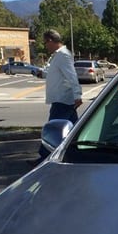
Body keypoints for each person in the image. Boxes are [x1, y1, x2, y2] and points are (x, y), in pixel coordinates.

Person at [38, 29, 82, 159]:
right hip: (62, 99)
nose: (45, 46)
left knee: (53, 130)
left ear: (51, 41)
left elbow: (72, 76)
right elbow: (56, 74)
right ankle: (77, 152)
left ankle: (44, 157)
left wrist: (77, 95)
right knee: (74, 130)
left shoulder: (63, 55)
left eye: (46, 43)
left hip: (62, 99)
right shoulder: (57, 55)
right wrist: (43, 74)